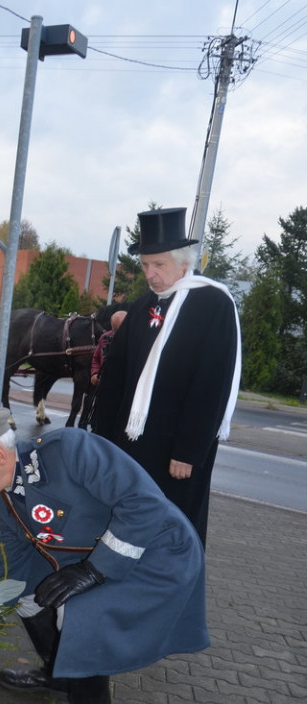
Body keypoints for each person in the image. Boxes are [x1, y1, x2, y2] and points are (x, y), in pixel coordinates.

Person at [0, 406, 209, 704]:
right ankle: (59, 674)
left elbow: (145, 505)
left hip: (157, 552)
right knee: (23, 592)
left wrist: (95, 571)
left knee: (78, 608)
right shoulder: (2, 496)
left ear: (0, 454)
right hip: (94, 556)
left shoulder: (70, 450)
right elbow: (12, 564)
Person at [94, 207, 241, 546]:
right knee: (126, 524)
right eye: (145, 265)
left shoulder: (212, 304)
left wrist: (189, 451)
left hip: (176, 451)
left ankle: (172, 590)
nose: (150, 273)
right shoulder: (146, 304)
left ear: (183, 262)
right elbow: (115, 375)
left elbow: (211, 384)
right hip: (130, 444)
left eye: (159, 265)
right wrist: (102, 438)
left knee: (173, 530)